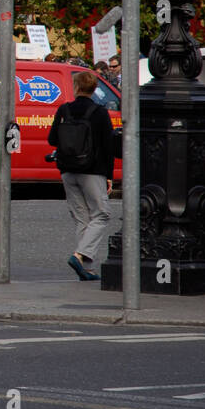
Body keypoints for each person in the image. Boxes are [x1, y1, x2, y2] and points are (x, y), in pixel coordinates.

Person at [48, 70, 117, 282]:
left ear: (76, 87)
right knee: (101, 214)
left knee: (81, 218)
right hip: (92, 170)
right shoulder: (99, 112)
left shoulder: (64, 110)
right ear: (95, 89)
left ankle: (87, 268)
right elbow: (109, 146)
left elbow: (52, 139)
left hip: (68, 170)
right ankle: (79, 256)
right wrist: (109, 175)